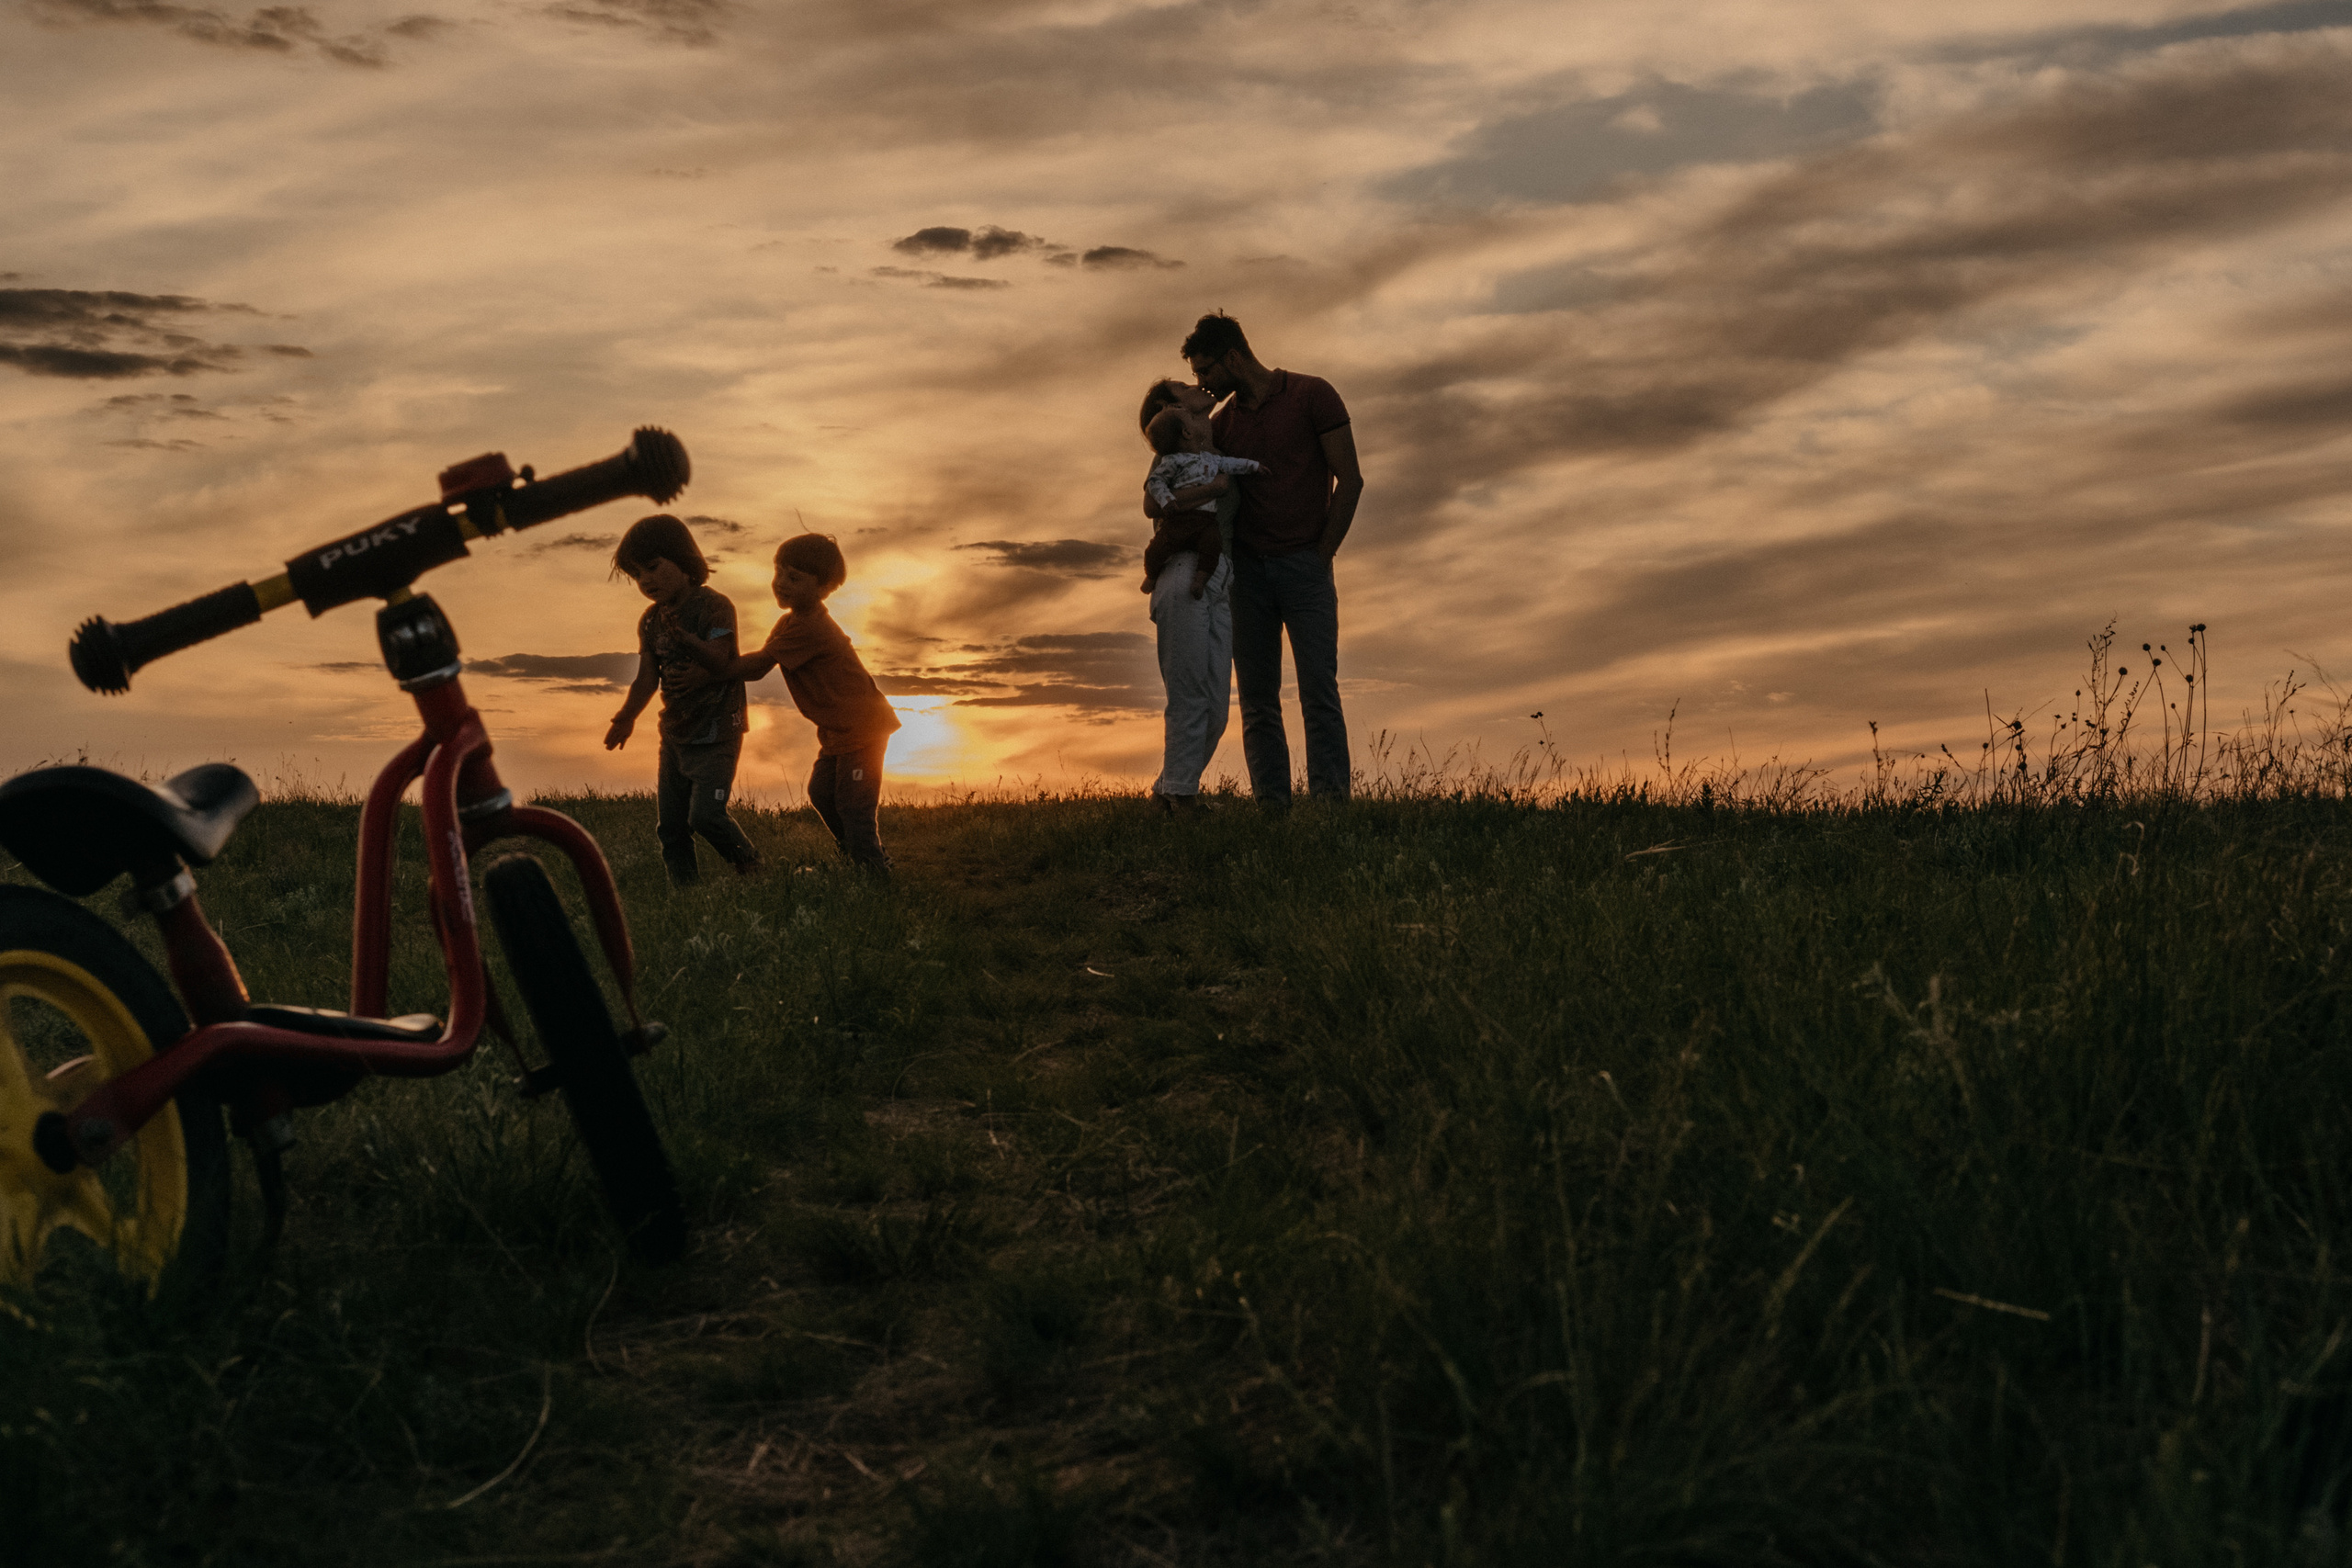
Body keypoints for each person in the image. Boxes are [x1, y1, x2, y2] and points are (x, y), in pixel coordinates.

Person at [1162, 312, 1363, 807]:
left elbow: (1351, 480)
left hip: (1306, 569)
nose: (1202, 384)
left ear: (1233, 357)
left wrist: (1322, 555)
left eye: (1205, 371)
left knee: (1319, 691)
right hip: (1247, 577)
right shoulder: (1223, 425)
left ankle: (1331, 807)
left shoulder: (1313, 395)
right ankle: (1273, 810)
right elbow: (1179, 466)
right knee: (1257, 701)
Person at [670, 533, 900, 874]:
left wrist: (705, 668)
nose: (781, 584)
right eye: (778, 573)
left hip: (864, 728)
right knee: (822, 792)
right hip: (840, 731)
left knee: (854, 805)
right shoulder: (789, 622)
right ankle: (856, 857)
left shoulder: (811, 628)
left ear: (823, 588)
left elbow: (758, 667)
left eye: (794, 578)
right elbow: (757, 661)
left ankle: (873, 874)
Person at [602, 514, 762, 887]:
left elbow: (722, 658)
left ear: (684, 560)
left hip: (718, 729)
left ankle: (753, 870)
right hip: (674, 734)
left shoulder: (715, 607)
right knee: (671, 827)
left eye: (654, 567)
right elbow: (647, 678)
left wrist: (688, 641)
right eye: (637, 574)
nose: (646, 581)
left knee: (706, 816)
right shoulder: (650, 621)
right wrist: (625, 717)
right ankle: (686, 894)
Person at [1132, 380, 1263, 812]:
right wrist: (1211, 490)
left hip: (1218, 574)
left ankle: (1167, 791)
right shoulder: (1171, 452)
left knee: (1215, 706)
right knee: (1190, 695)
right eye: (1184, 387)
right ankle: (1182, 799)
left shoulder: (1211, 447)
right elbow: (1153, 505)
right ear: (1172, 410)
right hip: (1184, 569)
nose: (1197, 385)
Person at [1140, 402, 1265, 601]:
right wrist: (1170, 499)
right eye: (1183, 410)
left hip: (1207, 523)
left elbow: (1231, 464)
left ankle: (1200, 579)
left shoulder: (1211, 457)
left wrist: (1252, 466)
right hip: (1182, 534)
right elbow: (1156, 486)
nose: (1190, 411)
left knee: (1211, 545)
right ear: (1186, 433)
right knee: (1160, 546)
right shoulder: (1171, 459)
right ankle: (1151, 575)